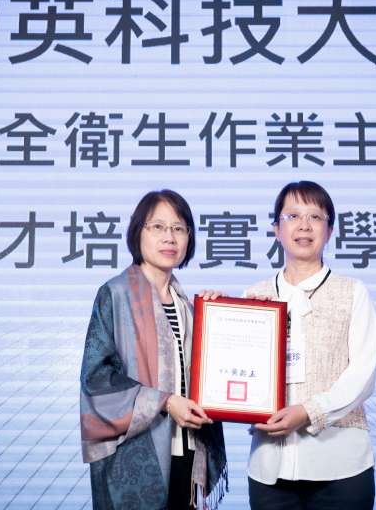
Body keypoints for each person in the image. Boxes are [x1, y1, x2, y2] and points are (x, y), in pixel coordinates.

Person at [79, 189, 228, 510]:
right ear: (138, 232)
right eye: (157, 227)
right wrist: (165, 402)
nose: (169, 237)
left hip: (188, 450)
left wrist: (218, 316)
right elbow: (97, 378)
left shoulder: (189, 306)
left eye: (179, 228)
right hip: (133, 456)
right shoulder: (115, 295)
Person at [244, 181, 376, 510]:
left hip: (341, 466)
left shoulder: (352, 292)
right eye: (292, 216)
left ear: (329, 231)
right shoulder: (255, 296)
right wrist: (215, 311)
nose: (304, 225)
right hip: (270, 468)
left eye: (315, 217)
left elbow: (362, 375)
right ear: (276, 230)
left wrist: (309, 411)